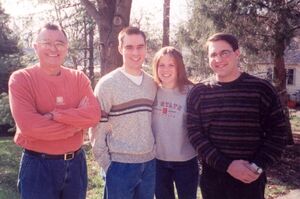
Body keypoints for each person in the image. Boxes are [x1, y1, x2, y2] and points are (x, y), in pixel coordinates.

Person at [186, 33, 287, 199]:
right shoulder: (199, 92)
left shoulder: (262, 90)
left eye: (224, 52)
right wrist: (228, 166)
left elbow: (278, 133)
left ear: (237, 53)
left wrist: (257, 166)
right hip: (213, 180)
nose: (218, 59)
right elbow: (195, 135)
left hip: (250, 178)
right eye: (213, 54)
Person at [8, 23, 100, 199]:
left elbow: (93, 116)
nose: (53, 48)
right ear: (35, 47)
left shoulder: (78, 78)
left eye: (59, 43)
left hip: (75, 164)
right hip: (38, 167)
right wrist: (76, 123)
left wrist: (55, 116)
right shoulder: (21, 79)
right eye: (46, 43)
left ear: (66, 48)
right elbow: (30, 128)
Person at [89, 26, 157, 199]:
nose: (135, 52)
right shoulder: (107, 84)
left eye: (140, 46)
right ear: (120, 49)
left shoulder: (152, 84)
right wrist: (107, 165)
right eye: (129, 47)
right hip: (119, 166)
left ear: (146, 48)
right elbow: (97, 128)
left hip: (149, 164)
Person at [151, 46, 199, 199]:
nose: (166, 69)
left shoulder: (192, 92)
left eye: (171, 65)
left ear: (179, 67)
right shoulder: (151, 90)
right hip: (158, 161)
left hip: (186, 160)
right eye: (161, 65)